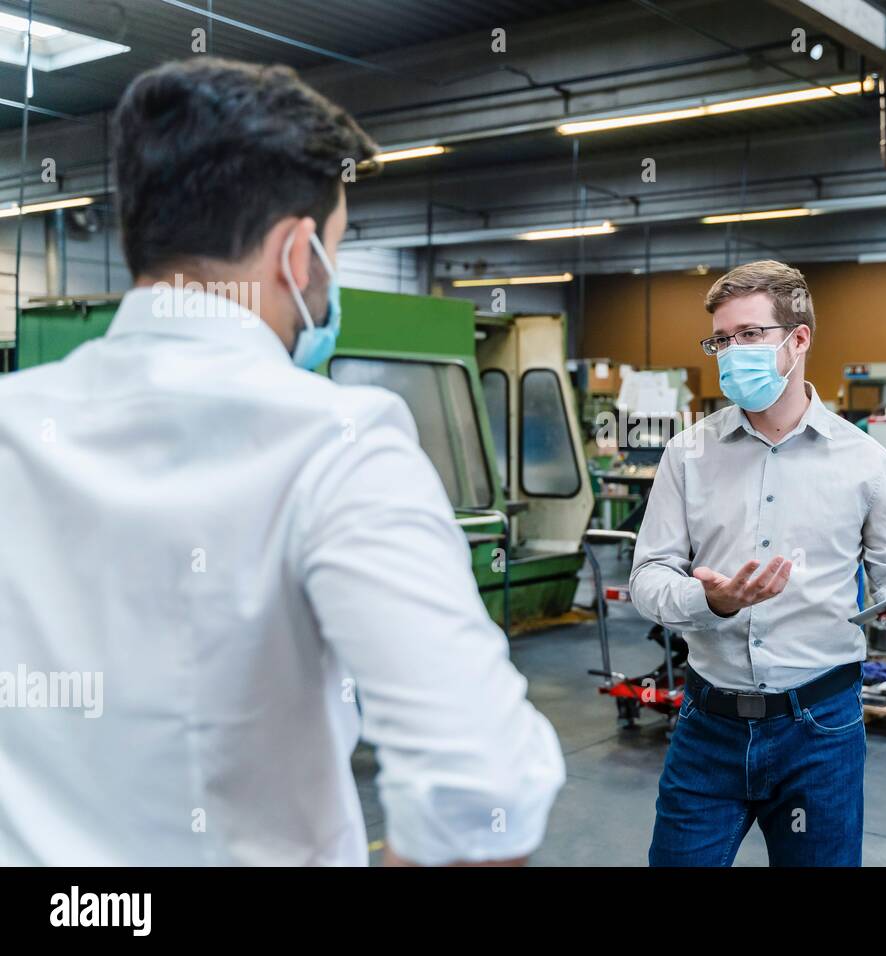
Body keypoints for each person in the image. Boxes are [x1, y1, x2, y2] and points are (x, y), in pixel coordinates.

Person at [0, 58, 563, 866]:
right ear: (299, 254)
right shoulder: (340, 442)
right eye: (334, 250)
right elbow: (484, 788)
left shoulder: (14, 422)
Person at [630, 259, 886, 867]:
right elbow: (648, 579)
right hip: (709, 725)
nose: (731, 353)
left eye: (749, 335)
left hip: (821, 730)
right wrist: (712, 600)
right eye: (721, 340)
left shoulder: (864, 461)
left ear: (798, 338)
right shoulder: (687, 454)